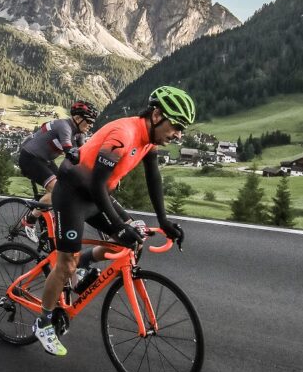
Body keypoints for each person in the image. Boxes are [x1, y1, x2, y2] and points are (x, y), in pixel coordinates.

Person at [31, 86, 194, 357]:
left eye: (182, 129)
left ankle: (82, 264)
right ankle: (44, 321)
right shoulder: (124, 135)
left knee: (134, 240)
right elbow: (96, 184)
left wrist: (164, 221)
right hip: (72, 194)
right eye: (176, 125)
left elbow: (153, 179)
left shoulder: (148, 139)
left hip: (97, 195)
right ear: (156, 115)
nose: (178, 134)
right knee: (65, 263)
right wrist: (119, 226)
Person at [16, 100, 98, 241]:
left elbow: (85, 154)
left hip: (45, 160)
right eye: (89, 121)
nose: (90, 126)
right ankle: (29, 220)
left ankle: (46, 212)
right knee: (56, 190)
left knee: (65, 186)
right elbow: (70, 152)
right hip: (30, 158)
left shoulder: (78, 133)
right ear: (78, 118)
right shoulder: (64, 127)